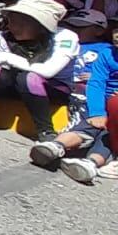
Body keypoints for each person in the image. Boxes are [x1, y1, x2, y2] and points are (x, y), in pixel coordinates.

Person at [0, 0, 78, 140]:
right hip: (10, 83)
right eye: (12, 21)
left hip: (52, 88)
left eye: (22, 23)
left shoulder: (65, 38)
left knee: (30, 78)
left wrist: (7, 58)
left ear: (41, 25)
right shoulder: (3, 36)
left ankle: (46, 131)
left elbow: (48, 71)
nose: (13, 27)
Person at [35, 11, 118, 181]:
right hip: (102, 102)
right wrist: (97, 112)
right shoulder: (107, 54)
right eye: (116, 30)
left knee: (108, 135)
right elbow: (96, 83)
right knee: (87, 126)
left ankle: (91, 163)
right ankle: (55, 146)